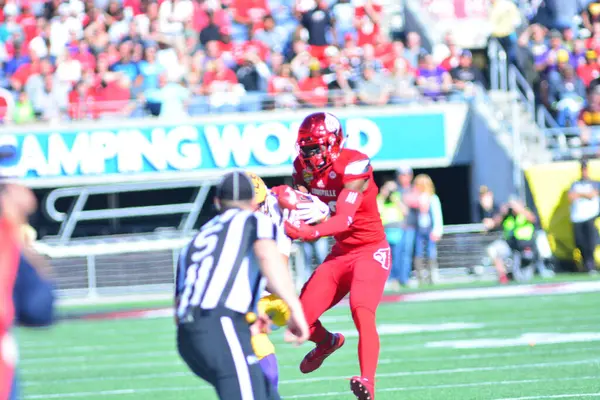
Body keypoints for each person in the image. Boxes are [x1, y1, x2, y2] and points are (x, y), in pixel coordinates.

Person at [283, 112, 391, 400]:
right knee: (298, 320)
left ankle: (367, 381)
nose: (309, 155)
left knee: (362, 311)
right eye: (305, 149)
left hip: (370, 250)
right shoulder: (302, 168)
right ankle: (328, 342)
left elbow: (343, 220)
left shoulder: (354, 164)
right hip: (341, 252)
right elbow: (301, 201)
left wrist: (307, 232)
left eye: (315, 148)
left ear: (332, 143)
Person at [175, 171, 309, 400]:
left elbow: (180, 302)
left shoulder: (197, 239)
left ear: (217, 201)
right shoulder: (255, 220)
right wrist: (295, 310)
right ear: (254, 201)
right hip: (220, 324)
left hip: (187, 336)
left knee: (264, 394)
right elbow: (269, 261)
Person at [245, 171, 330, 390]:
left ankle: (327, 341)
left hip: (279, 290)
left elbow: (324, 212)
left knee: (304, 318)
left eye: (257, 205)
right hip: (254, 298)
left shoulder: (279, 200)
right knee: (264, 363)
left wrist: (307, 222)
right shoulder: (228, 226)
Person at [568, 159, 600, 274]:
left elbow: (593, 194)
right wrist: (586, 195)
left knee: (591, 242)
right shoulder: (575, 184)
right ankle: (585, 263)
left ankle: (591, 263)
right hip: (577, 217)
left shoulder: (594, 183)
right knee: (580, 242)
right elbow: (571, 197)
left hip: (590, 216)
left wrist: (580, 194)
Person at [412, 174, 444, 285]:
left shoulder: (433, 198)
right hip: (419, 229)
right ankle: (420, 277)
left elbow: (437, 215)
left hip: (430, 229)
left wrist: (437, 230)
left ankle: (433, 276)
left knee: (431, 252)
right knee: (418, 252)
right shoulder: (416, 198)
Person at [376, 180, 405, 292]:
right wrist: (383, 196)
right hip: (384, 231)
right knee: (385, 258)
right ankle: (384, 280)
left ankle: (395, 280)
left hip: (397, 230)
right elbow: (377, 211)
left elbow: (405, 211)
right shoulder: (380, 199)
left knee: (397, 256)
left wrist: (396, 200)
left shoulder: (397, 197)